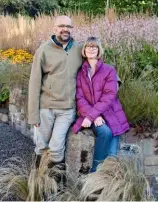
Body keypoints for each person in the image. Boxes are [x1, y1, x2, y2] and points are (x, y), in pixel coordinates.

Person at [28, 15, 83, 168]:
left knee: (56, 148)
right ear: (54, 28)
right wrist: (33, 115)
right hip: (46, 108)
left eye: (69, 26)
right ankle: (37, 179)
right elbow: (34, 83)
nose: (65, 29)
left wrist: (114, 79)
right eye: (61, 26)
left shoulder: (79, 49)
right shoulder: (43, 50)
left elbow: (96, 61)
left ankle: (55, 186)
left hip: (67, 110)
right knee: (41, 145)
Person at [72, 37, 130, 172]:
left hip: (110, 113)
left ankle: (105, 183)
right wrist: (93, 117)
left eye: (94, 47)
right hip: (90, 114)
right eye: (88, 46)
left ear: (99, 50)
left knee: (111, 157)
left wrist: (92, 115)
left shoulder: (109, 70)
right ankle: (94, 173)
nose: (91, 49)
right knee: (104, 132)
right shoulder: (81, 73)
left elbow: (109, 96)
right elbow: (80, 98)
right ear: (84, 50)